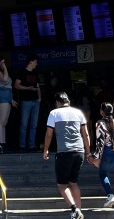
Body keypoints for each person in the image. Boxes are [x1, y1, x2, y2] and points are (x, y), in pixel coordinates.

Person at [43, 91, 91, 219]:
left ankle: (74, 209)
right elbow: (85, 134)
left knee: (62, 185)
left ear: (57, 103)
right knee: (73, 182)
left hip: (64, 152)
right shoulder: (78, 113)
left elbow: (49, 134)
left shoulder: (54, 113)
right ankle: (79, 210)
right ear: (68, 102)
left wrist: (46, 149)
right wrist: (88, 152)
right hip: (79, 152)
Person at [90, 102, 114, 216]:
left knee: (102, 173)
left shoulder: (100, 123)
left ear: (102, 112)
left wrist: (95, 157)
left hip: (108, 153)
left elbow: (100, 143)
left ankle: (110, 195)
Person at [15, 55, 42, 152]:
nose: (36, 64)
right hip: (26, 100)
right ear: (31, 62)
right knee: (24, 124)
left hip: (35, 101)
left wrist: (39, 98)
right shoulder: (22, 72)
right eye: (35, 62)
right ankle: (22, 145)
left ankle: (31, 145)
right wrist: (28, 88)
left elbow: (38, 86)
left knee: (33, 125)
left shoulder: (35, 73)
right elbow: (16, 85)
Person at [0, 56, 14, 154]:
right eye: (2, 62)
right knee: (0, 122)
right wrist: (5, 68)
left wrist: (11, 99)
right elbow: (5, 80)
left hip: (7, 96)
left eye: (4, 63)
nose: (4, 64)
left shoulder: (3, 72)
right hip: (1, 96)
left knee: (4, 122)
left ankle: (3, 143)